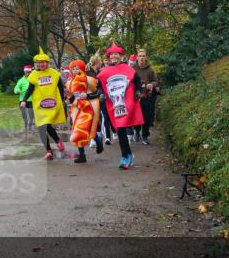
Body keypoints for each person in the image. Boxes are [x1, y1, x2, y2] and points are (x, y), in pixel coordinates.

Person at [96, 42, 144, 170]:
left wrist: (138, 91)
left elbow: (137, 82)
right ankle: (128, 155)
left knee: (121, 129)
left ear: (121, 56)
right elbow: (99, 86)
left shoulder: (129, 69)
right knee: (119, 130)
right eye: (111, 54)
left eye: (116, 54)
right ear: (109, 57)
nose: (113, 56)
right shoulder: (104, 71)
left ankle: (125, 157)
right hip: (114, 105)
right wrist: (101, 94)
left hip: (126, 104)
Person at [20, 47, 67, 160]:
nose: (41, 64)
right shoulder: (34, 75)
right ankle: (49, 151)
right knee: (41, 127)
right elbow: (30, 89)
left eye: (44, 62)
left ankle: (57, 141)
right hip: (39, 106)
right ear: (37, 64)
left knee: (47, 126)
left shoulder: (54, 74)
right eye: (39, 62)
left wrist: (63, 101)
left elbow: (60, 88)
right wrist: (24, 100)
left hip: (52, 104)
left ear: (48, 63)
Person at [65, 59, 103, 163]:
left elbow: (99, 92)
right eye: (73, 69)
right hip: (76, 108)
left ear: (82, 68)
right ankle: (82, 155)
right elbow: (73, 96)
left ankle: (98, 141)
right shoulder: (70, 82)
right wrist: (69, 99)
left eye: (77, 68)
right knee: (77, 130)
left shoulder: (90, 79)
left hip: (88, 107)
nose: (75, 70)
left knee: (88, 128)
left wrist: (88, 96)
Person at [132, 47, 160, 145]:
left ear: (146, 57)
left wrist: (152, 84)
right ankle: (136, 131)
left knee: (147, 118)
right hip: (136, 97)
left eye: (143, 56)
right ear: (137, 57)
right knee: (137, 117)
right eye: (140, 56)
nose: (142, 58)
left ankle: (145, 136)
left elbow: (156, 81)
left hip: (147, 97)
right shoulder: (133, 68)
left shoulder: (150, 69)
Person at [13, 65, 35, 132]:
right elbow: (15, 89)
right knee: (24, 115)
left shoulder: (33, 79)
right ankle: (26, 126)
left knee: (31, 116)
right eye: (26, 72)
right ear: (24, 72)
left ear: (31, 72)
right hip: (22, 101)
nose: (28, 73)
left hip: (32, 100)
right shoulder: (21, 80)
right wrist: (18, 90)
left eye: (29, 72)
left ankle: (30, 127)